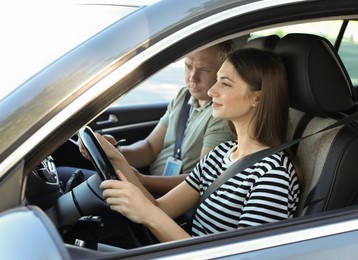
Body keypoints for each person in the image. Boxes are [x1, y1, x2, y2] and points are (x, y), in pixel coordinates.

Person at [96, 48, 300, 242]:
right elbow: (160, 207)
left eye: (225, 84)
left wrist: (148, 214)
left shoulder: (273, 176)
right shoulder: (221, 155)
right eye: (217, 80)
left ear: (257, 98)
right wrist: (115, 157)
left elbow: (242, 256)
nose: (212, 91)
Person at [60, 43, 234, 194]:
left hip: (170, 195)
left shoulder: (220, 115)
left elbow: (202, 179)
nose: (192, 78)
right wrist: (115, 153)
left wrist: (142, 181)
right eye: (188, 66)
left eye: (204, 69)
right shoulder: (183, 96)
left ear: (223, 74)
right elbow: (149, 148)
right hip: (147, 183)